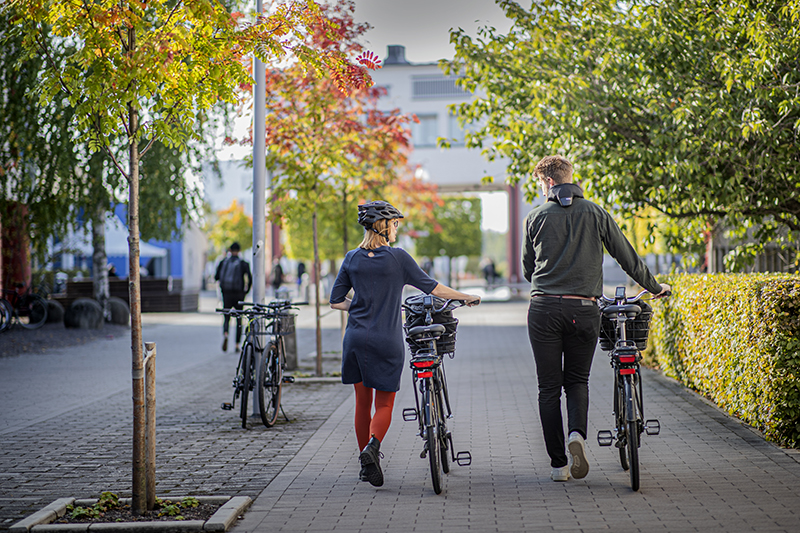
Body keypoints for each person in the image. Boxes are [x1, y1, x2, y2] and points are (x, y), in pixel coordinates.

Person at [522, 155, 670, 483]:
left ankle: (559, 465)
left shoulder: (535, 217)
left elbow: (527, 269)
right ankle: (577, 434)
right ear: (568, 177)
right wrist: (654, 287)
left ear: (547, 182)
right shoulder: (596, 212)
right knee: (577, 381)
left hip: (544, 308)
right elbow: (626, 255)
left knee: (548, 387)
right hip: (584, 309)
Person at [329, 200, 481, 488]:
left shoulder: (351, 258)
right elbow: (433, 288)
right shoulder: (398, 258)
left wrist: (361, 306)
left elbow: (336, 301)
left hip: (355, 339)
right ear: (384, 227)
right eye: (395, 224)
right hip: (386, 340)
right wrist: (466, 296)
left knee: (362, 403)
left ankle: (366, 462)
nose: (397, 228)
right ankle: (372, 448)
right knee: (384, 403)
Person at [215, 242, 252, 352]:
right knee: (239, 319)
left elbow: (216, 277)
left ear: (230, 250)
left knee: (226, 317)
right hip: (239, 294)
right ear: (239, 251)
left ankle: (226, 334)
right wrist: (246, 292)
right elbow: (250, 279)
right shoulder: (243, 263)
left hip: (226, 293)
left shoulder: (223, 262)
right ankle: (237, 344)